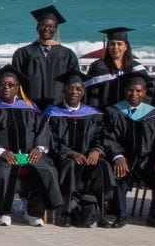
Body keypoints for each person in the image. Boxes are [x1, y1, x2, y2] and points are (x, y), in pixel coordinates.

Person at [0, 67, 58, 227]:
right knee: (1, 172)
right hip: (2, 156)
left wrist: (38, 148)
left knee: (47, 169)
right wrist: (1, 152)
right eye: (3, 84)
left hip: (29, 155)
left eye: (11, 84)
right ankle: (4, 212)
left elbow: (42, 130)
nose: (6, 87)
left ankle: (33, 212)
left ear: (18, 87)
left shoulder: (30, 107)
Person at [101, 74, 155, 229]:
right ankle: (120, 216)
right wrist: (117, 156)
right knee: (117, 173)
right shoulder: (113, 112)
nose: (134, 94)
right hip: (125, 158)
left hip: (148, 159)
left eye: (138, 90)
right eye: (130, 90)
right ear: (125, 91)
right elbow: (108, 138)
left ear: (144, 92)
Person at [44, 70, 109, 228]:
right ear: (63, 91)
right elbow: (50, 141)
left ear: (83, 93)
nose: (74, 92)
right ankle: (64, 213)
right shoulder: (52, 114)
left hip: (88, 158)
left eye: (78, 89)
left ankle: (99, 213)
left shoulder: (93, 114)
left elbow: (100, 137)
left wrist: (96, 150)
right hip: (62, 158)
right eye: (70, 88)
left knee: (102, 166)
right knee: (70, 165)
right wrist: (70, 153)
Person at [11, 6, 77, 111]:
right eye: (43, 25)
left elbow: (73, 80)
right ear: (37, 27)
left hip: (59, 106)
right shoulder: (24, 52)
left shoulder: (67, 54)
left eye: (51, 26)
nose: (47, 29)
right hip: (29, 104)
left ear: (56, 29)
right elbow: (16, 79)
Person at [82, 27, 151, 111]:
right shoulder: (98, 67)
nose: (115, 47)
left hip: (130, 113)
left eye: (119, 44)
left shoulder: (136, 68)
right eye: (112, 44)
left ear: (126, 47)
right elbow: (89, 94)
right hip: (104, 113)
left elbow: (147, 93)